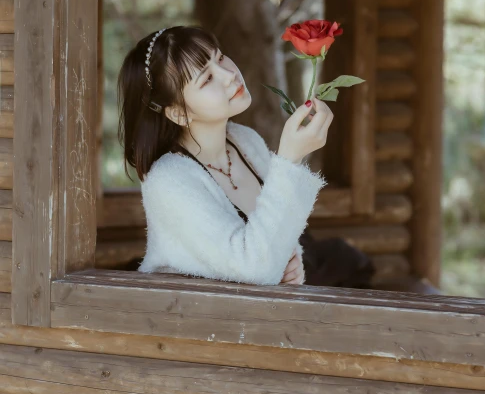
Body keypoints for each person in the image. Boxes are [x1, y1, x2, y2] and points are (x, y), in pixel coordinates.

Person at [117, 24, 373, 287]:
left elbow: (277, 235)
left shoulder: (245, 140)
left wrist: (293, 261)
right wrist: (289, 161)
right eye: (206, 79)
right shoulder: (168, 180)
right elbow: (254, 269)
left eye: (220, 58)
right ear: (178, 113)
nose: (228, 75)